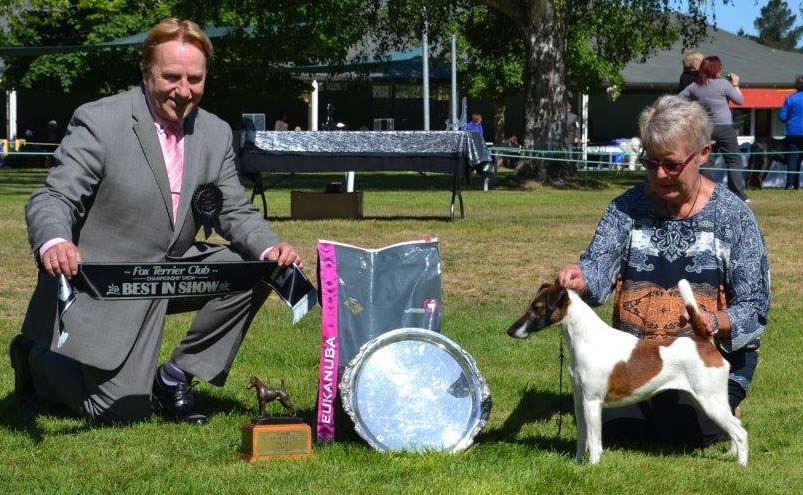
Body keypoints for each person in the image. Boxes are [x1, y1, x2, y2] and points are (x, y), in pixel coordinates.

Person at [10, 18, 303, 426]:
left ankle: (173, 377)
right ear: (147, 73)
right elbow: (54, 195)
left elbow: (232, 209)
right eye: (171, 77)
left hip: (172, 271)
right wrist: (56, 240)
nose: (183, 91)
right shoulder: (100, 121)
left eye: (194, 79)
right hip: (108, 281)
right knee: (120, 411)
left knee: (255, 269)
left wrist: (270, 248)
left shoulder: (215, 132)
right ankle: (36, 360)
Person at [557, 95, 770, 446]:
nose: (659, 175)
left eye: (671, 165)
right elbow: (597, 273)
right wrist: (581, 279)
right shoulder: (624, 209)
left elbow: (755, 307)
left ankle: (723, 404)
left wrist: (714, 321)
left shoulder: (735, 218)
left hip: (701, 360)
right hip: (635, 363)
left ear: (703, 154)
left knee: (683, 432)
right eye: (650, 162)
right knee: (620, 431)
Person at [679, 55, 748, 202]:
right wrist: (735, 84)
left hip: (706, 128)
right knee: (734, 160)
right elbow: (740, 100)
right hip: (725, 128)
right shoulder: (723, 84)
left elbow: (678, 100)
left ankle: (708, 192)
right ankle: (738, 195)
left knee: (707, 160)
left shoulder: (695, 86)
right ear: (717, 69)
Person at [779, 75, 803, 190]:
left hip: (793, 133)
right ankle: (797, 184)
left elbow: (782, 117)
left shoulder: (790, 99)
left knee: (793, 160)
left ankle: (790, 185)